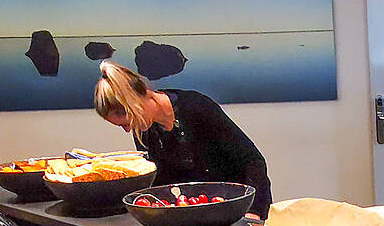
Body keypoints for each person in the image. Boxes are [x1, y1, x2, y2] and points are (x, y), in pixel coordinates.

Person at [93, 62, 272, 217]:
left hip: (237, 209)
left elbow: (252, 161)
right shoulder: (144, 129)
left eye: (127, 122)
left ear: (137, 102)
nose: (128, 130)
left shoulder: (196, 108)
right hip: (198, 216)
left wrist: (253, 212)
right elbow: (161, 184)